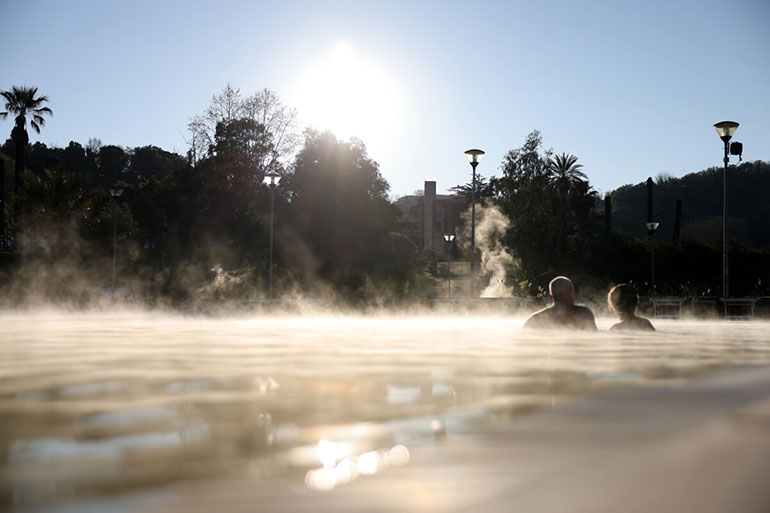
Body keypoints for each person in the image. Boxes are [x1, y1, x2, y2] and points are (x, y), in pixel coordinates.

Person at [523, 276, 597, 330]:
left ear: (550, 297)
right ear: (571, 294)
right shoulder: (583, 314)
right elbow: (594, 338)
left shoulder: (536, 319)